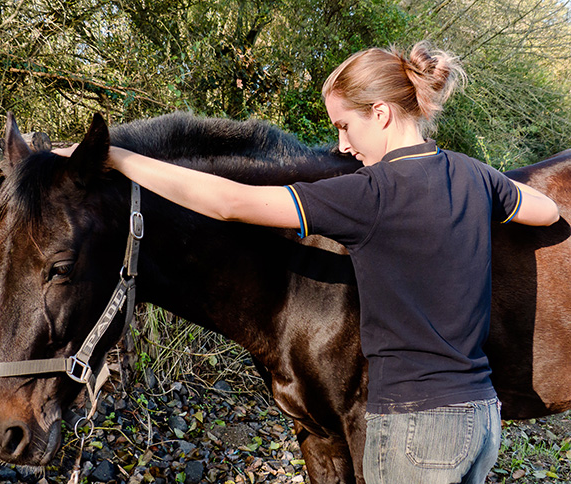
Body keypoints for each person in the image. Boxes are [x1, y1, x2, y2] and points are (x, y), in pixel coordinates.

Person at [55, 41, 559, 483]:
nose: (342, 144)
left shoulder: (370, 193)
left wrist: (117, 157)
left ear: (381, 113)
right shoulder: (475, 177)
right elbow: (547, 209)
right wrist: (485, 193)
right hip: (480, 420)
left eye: (345, 125)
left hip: (414, 427)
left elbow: (230, 203)